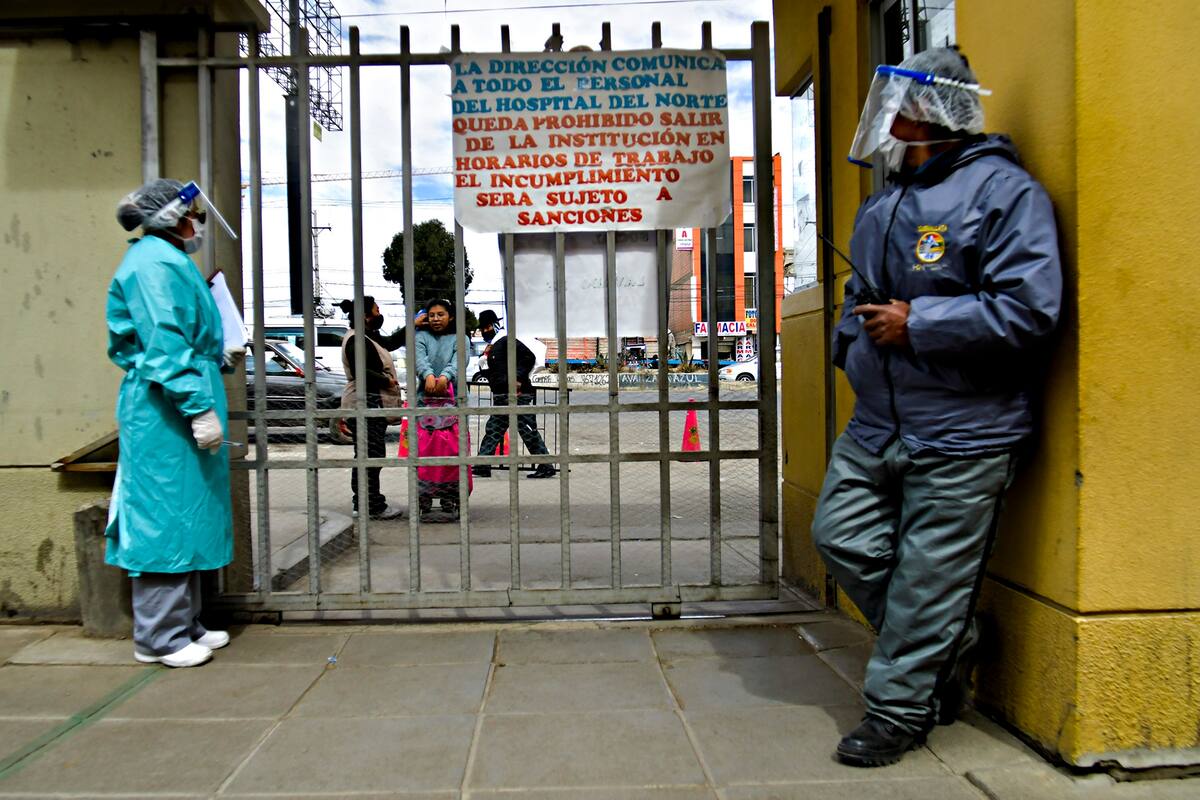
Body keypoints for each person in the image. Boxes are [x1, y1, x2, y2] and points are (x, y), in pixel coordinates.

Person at [812, 47, 1062, 767]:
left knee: (927, 579)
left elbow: (1030, 310)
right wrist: (850, 348)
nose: (886, 117)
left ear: (932, 110)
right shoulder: (886, 198)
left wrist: (919, 323)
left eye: (898, 103)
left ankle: (900, 711)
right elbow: (859, 296)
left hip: (965, 428)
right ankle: (949, 641)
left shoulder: (1004, 194)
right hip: (879, 422)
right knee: (840, 537)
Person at [105, 178, 242, 668]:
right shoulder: (153, 265)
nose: (198, 223)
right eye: (193, 214)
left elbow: (186, 338)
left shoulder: (170, 262)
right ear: (170, 217)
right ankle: (157, 636)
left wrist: (217, 356)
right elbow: (164, 343)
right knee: (164, 517)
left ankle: (184, 623)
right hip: (166, 409)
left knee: (188, 514)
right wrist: (197, 404)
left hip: (181, 399)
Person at [336, 297, 404, 520]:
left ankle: (365, 502)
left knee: (369, 454)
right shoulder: (357, 340)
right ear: (366, 315)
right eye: (376, 309)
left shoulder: (366, 337)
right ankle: (369, 504)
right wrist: (388, 382)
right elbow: (362, 372)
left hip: (369, 402)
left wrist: (413, 325)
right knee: (369, 455)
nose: (379, 312)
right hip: (364, 403)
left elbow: (391, 342)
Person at [471, 309, 555, 479]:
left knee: (526, 429)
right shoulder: (494, 346)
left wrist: (517, 377)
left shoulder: (506, 340)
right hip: (503, 394)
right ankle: (482, 464)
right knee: (494, 428)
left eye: (486, 327)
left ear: (494, 326)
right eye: (482, 328)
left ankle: (546, 465)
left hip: (518, 394)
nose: (484, 331)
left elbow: (528, 357)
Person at [414, 298, 465, 516]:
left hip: (454, 403)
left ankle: (449, 497)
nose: (436, 319)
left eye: (441, 314)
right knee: (424, 453)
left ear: (451, 317)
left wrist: (446, 376)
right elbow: (419, 360)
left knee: (453, 451)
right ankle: (424, 497)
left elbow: (459, 360)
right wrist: (428, 376)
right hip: (424, 404)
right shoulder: (420, 337)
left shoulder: (459, 338)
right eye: (432, 315)